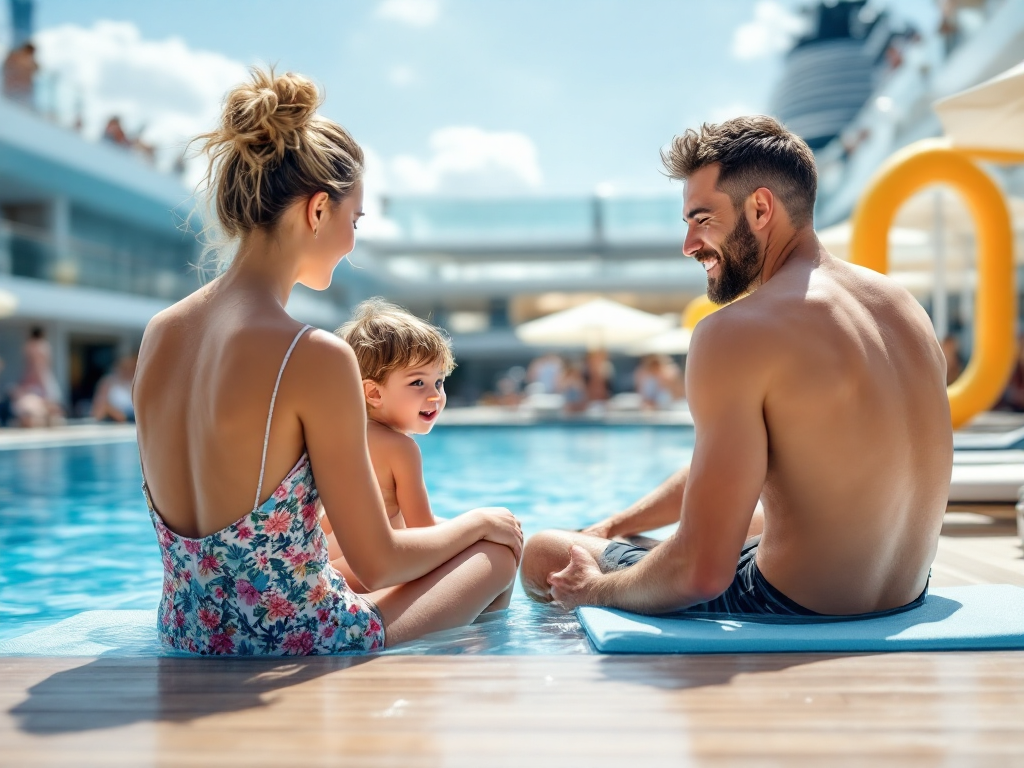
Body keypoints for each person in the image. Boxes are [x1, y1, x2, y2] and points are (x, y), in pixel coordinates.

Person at [133, 67, 520, 656]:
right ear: (317, 211)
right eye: (354, 220)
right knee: (498, 552)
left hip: (186, 632)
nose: (352, 241)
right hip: (297, 639)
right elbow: (380, 561)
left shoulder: (161, 332)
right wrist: (481, 522)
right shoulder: (311, 355)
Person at [521, 116, 952, 618]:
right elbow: (734, 464)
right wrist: (617, 525)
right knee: (729, 522)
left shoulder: (736, 330)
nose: (688, 245)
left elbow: (700, 575)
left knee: (545, 552)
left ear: (760, 208)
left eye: (702, 219)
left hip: (790, 606)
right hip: (905, 592)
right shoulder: (902, 307)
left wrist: (593, 589)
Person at [11, 326, 64, 427]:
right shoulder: (43, 346)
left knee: (40, 406)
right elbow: (41, 367)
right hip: (40, 380)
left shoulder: (30, 347)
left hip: (33, 381)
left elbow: (31, 367)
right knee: (47, 406)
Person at [92, 354, 137, 423]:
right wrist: (115, 413)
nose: (128, 371)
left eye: (131, 368)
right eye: (124, 368)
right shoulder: (107, 382)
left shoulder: (138, 383)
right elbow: (98, 410)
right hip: (114, 424)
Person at [2, 41, 38, 108]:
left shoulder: (30, 61)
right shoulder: (15, 57)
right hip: (14, 88)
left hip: (22, 90)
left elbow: (37, 68)